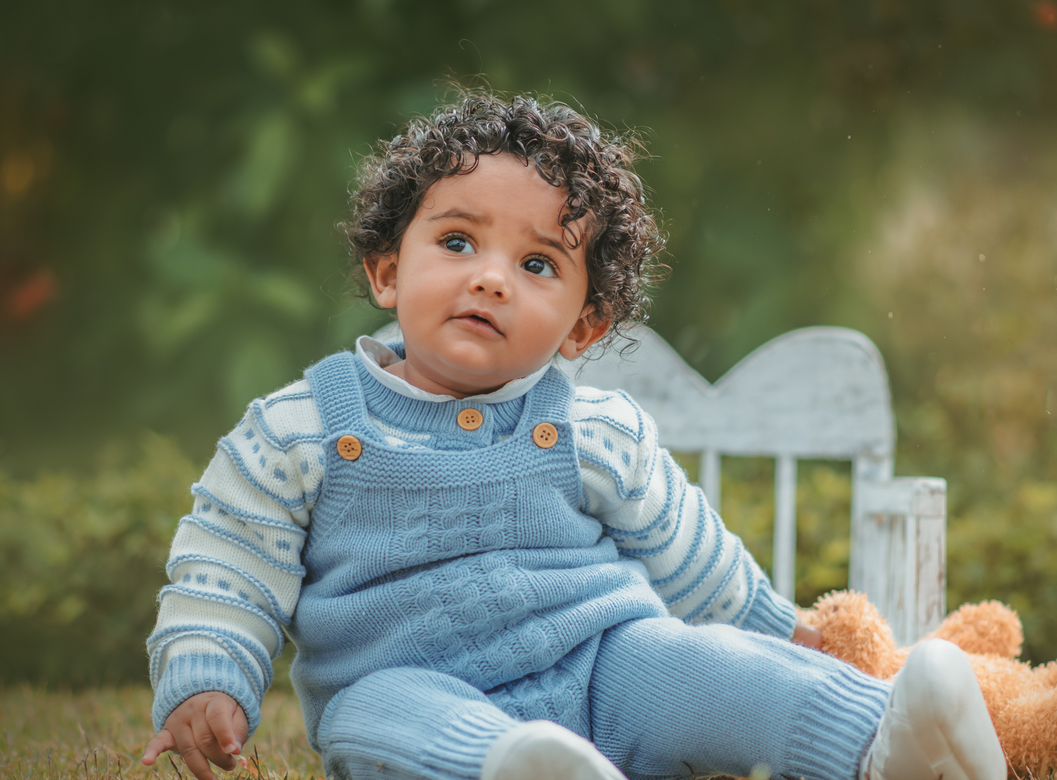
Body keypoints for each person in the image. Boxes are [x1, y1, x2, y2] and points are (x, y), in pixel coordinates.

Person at [141, 90, 1005, 780]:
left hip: (606, 666)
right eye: (455, 240)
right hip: (408, 680)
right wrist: (207, 676)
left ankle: (887, 742)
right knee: (376, 719)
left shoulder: (594, 429)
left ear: (583, 327)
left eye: (538, 264)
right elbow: (228, 565)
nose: (490, 278)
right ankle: (510, 768)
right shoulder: (301, 429)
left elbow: (690, 553)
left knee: (705, 666)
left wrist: (777, 629)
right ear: (386, 270)